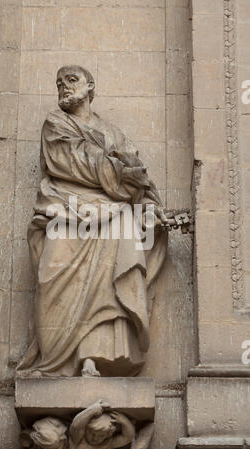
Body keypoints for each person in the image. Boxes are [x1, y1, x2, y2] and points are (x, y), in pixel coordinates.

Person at [17, 65, 168, 378]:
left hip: (112, 218)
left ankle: (92, 358)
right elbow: (68, 161)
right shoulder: (55, 124)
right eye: (59, 82)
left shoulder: (113, 133)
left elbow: (139, 177)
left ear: (90, 86)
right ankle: (55, 359)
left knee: (107, 285)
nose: (64, 87)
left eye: (71, 80)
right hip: (65, 211)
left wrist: (150, 207)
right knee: (53, 274)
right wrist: (117, 174)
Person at [69, 400, 135, 449]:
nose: (95, 438)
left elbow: (127, 438)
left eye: (101, 436)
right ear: (85, 430)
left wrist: (124, 421)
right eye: (92, 434)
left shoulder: (106, 445)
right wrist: (91, 411)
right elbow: (75, 426)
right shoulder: (78, 440)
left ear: (107, 436)